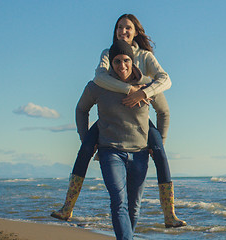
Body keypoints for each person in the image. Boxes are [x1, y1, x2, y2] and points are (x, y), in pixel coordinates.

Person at [51, 14, 186, 228]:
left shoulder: (146, 56)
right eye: (119, 27)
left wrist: (144, 93)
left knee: (160, 150)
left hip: (140, 122)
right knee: (86, 147)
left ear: (136, 32)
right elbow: (100, 77)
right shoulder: (108, 53)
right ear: (115, 31)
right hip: (111, 117)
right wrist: (128, 89)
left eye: (128, 28)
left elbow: (165, 79)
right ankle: (68, 207)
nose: (123, 31)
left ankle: (169, 213)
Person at [76, 40, 166, 239]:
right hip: (111, 151)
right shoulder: (98, 85)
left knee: (134, 207)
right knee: (119, 202)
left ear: (133, 61)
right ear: (111, 63)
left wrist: (159, 142)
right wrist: (86, 139)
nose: (122, 65)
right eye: (116, 61)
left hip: (141, 153)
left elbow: (164, 112)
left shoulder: (147, 85)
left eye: (126, 60)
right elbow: (81, 109)